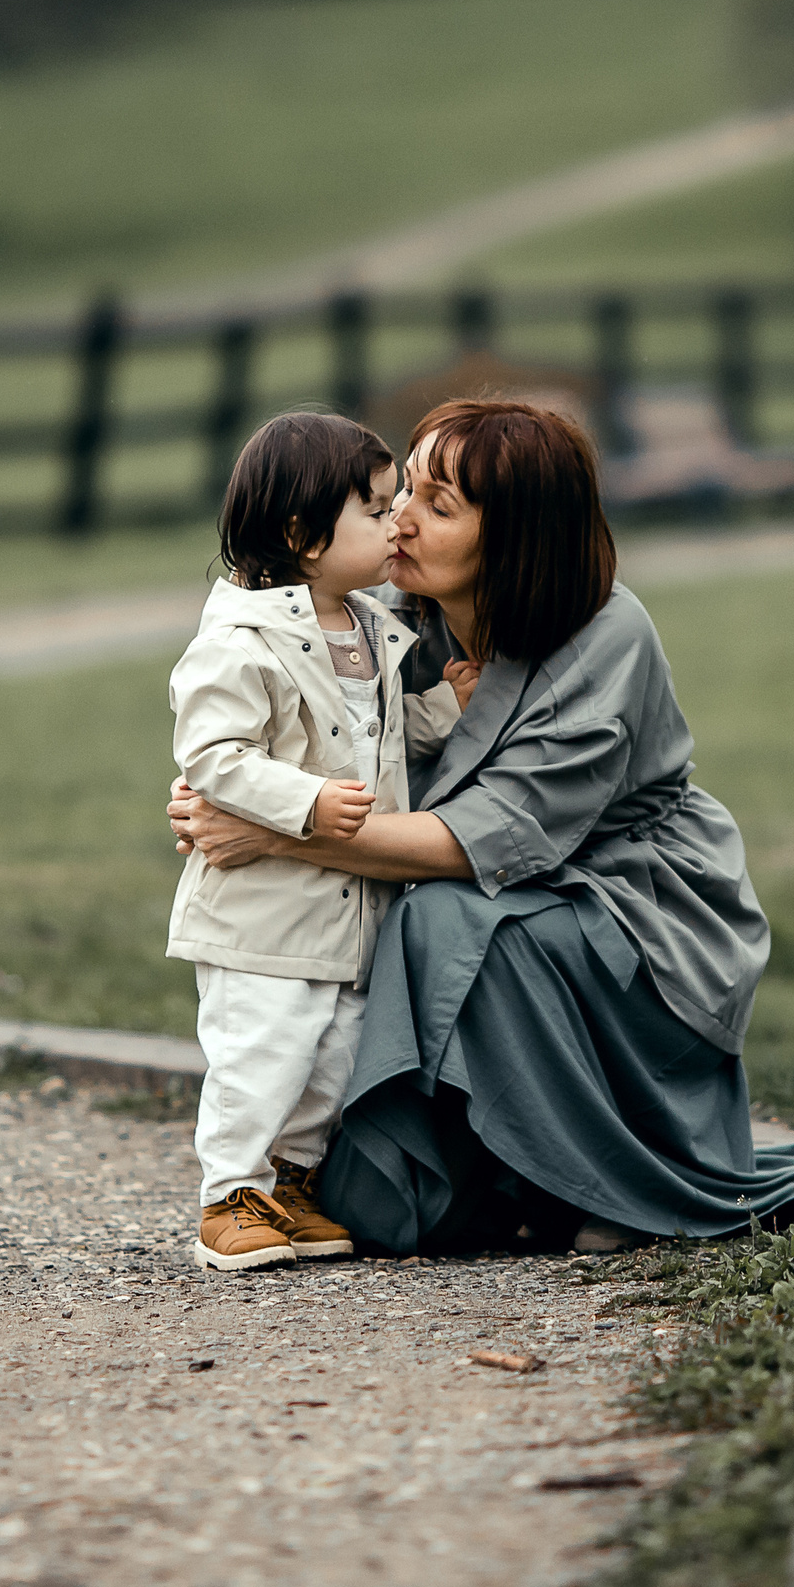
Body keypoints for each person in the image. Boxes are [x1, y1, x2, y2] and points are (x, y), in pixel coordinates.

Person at [171, 399, 794, 1256]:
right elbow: (288, 729)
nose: (400, 519)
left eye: (438, 506)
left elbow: (476, 845)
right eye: (404, 492)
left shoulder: (603, 634)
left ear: (513, 539)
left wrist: (277, 833)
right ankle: (453, 1172)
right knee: (377, 1198)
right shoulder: (396, 610)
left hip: (630, 900)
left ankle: (580, 1172)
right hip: (456, 879)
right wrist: (249, 790)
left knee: (447, 915)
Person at [166, 411, 462, 1272]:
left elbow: (379, 731)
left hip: (347, 918)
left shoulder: (367, 626)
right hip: (263, 919)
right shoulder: (240, 640)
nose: (396, 517)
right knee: (264, 1052)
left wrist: (451, 710)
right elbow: (214, 755)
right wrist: (303, 803)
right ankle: (230, 1195)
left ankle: (290, 1186)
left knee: (331, 1058)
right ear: (302, 535)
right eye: (375, 509)